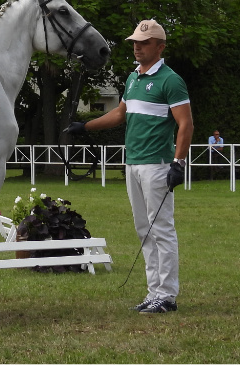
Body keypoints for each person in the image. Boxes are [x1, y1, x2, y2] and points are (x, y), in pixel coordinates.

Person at [65, 19, 193, 314]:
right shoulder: (133, 78)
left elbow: (186, 124)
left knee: (161, 229)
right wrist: (86, 125)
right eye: (135, 42)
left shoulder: (170, 80)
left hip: (157, 165)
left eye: (144, 43)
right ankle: (153, 292)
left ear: (160, 47)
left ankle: (167, 295)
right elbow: (121, 114)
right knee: (143, 229)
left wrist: (179, 162)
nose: (137, 47)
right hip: (133, 164)